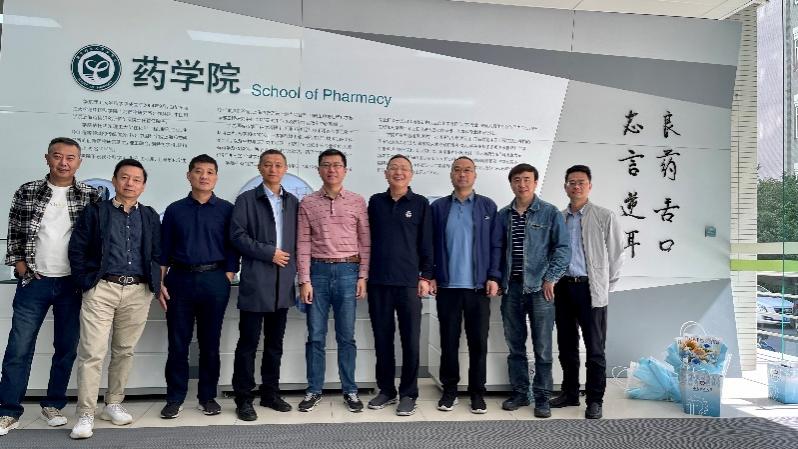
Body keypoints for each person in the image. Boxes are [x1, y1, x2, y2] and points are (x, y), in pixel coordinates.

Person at [0, 138, 99, 436]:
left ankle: (53, 404)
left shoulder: (91, 195)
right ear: (47, 158)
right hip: (35, 281)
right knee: (19, 348)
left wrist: (87, 276)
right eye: (57, 156)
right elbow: (15, 232)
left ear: (79, 161)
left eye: (70, 157)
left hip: (71, 284)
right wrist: (20, 265)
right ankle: (8, 411)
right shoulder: (27, 190)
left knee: (66, 348)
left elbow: (96, 240)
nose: (63, 162)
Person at [67, 158, 161, 439]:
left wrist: (155, 285)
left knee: (124, 350)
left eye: (136, 179)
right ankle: (86, 413)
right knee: (92, 353)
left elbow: (157, 252)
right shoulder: (96, 212)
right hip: (102, 289)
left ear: (143, 186)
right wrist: (86, 283)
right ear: (114, 180)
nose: (130, 183)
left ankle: (113, 404)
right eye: (124, 177)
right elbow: (77, 249)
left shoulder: (150, 215)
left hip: (137, 291)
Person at [158, 154, 238, 419]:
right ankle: (175, 398)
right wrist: (160, 282)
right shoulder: (174, 210)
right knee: (177, 342)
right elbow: (164, 250)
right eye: (198, 171)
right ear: (189, 175)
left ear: (216, 177)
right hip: (179, 280)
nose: (204, 176)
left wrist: (227, 275)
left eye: (210, 172)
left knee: (210, 342)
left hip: (214, 280)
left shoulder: (226, 209)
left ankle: (208, 397)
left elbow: (232, 248)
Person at [297, 148, 370, 413]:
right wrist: (304, 280)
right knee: (316, 336)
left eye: (337, 165)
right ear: (319, 170)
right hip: (318, 273)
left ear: (345, 170)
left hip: (349, 272)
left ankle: (350, 389)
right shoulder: (307, 203)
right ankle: (314, 389)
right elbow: (303, 243)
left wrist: (363, 276)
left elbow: (365, 241)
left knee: (346, 336)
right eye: (326, 165)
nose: (332, 170)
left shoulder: (357, 201)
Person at [229, 149, 298, 421]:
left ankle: (270, 393)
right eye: (268, 164)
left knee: (274, 344)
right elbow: (237, 235)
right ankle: (244, 398)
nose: (273, 169)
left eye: (278, 165)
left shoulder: (293, 202)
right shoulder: (246, 199)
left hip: (283, 284)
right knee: (248, 343)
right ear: (260, 168)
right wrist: (269, 253)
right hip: (257, 281)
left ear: (285, 169)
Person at [550, 164, 624, 420]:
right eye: (571, 182)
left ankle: (594, 400)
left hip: (590, 289)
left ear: (589, 186)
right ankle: (570, 393)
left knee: (595, 349)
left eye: (581, 182)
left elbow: (617, 255)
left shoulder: (604, 216)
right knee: (566, 345)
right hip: (563, 288)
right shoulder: (559, 218)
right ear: (565, 187)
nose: (576, 186)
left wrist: (604, 286)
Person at [497, 163, 570, 419]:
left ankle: (542, 397)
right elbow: (497, 250)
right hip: (511, 289)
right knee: (515, 345)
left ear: (535, 182)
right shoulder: (503, 215)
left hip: (540, 289)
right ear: (511, 184)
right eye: (517, 179)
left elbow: (563, 248)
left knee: (543, 346)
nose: (522, 184)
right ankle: (519, 393)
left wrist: (551, 278)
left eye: (527, 179)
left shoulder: (549, 212)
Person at [430, 156, 502, 414]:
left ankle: (477, 393)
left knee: (478, 343)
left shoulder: (487, 206)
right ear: (451, 174)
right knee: (448, 342)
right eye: (457, 170)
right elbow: (429, 245)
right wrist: (430, 275)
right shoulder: (438, 207)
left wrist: (494, 276)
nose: (462, 174)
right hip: (447, 287)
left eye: (467, 170)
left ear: (475, 175)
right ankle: (449, 391)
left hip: (478, 288)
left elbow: (496, 245)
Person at [366, 154, 433, 416]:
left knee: (410, 340)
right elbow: (366, 239)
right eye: (393, 168)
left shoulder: (420, 203)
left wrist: (425, 277)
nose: (398, 172)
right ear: (386, 174)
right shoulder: (375, 202)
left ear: (411, 174)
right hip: (378, 282)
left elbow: (427, 243)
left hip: (409, 283)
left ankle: (409, 393)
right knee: (382, 339)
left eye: (404, 168)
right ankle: (386, 390)